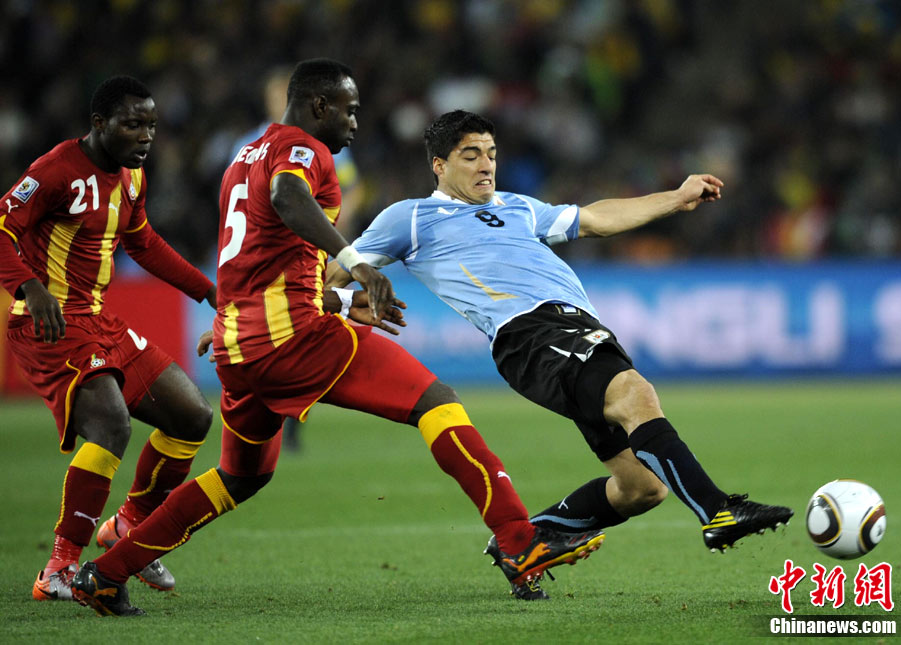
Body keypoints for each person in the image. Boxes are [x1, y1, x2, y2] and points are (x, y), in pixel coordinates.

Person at [70, 60, 604, 617]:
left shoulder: (243, 157)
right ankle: (519, 539)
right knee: (437, 404)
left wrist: (338, 302)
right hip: (295, 340)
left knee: (239, 477)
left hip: (240, 345)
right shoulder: (304, 150)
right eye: (348, 110)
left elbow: (261, 260)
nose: (354, 122)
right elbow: (287, 197)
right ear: (319, 106)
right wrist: (357, 264)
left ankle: (105, 573)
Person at [327, 110, 795, 599]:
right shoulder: (410, 217)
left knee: (641, 489)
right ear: (439, 165)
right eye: (471, 156)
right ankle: (718, 512)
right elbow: (334, 272)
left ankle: (521, 541)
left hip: (577, 329)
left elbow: (594, 219)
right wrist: (338, 301)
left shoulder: (517, 206)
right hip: (529, 332)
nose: (486, 165)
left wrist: (676, 198)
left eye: (491, 154)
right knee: (635, 394)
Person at [0, 76, 216, 602]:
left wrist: (208, 290)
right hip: (47, 322)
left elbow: (143, 243)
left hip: (98, 320)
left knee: (192, 416)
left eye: (151, 126)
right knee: (112, 425)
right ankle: (59, 567)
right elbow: (1, 229)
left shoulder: (132, 176)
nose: (145, 137)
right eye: (133, 124)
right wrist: (29, 286)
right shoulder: (55, 170)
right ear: (99, 124)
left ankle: (127, 526)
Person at [228, 66, 366, 453]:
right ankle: (275, 413)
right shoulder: (262, 143)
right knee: (289, 329)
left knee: (302, 326)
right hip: (267, 258)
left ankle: (286, 419)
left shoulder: (262, 145)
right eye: (274, 97)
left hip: (308, 251)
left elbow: (354, 189)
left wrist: (335, 224)